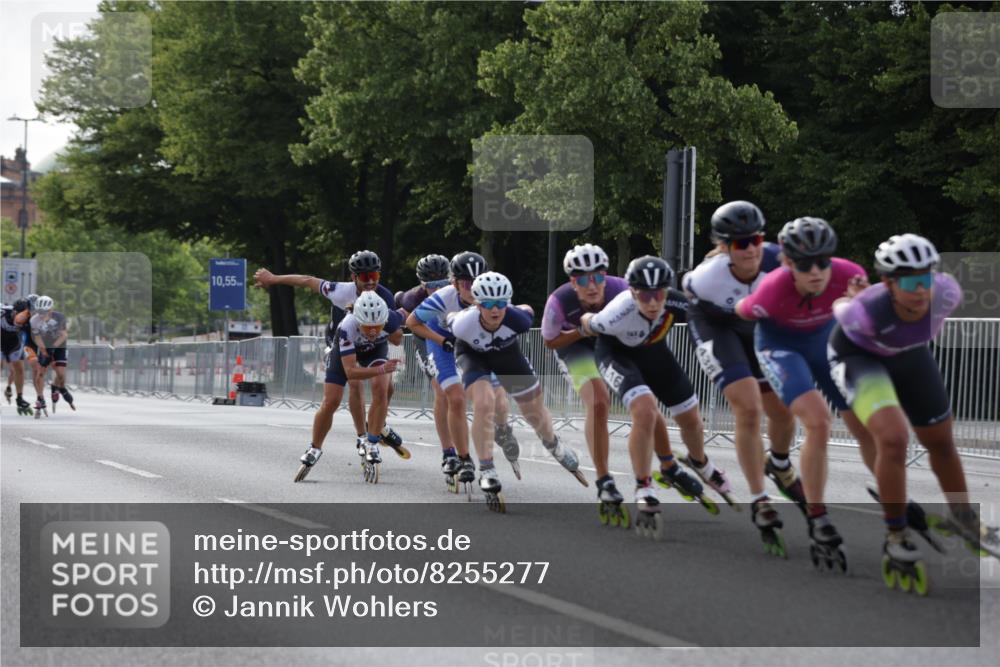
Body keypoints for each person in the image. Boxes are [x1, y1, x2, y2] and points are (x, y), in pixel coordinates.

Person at [829, 234, 999, 590]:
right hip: (860, 357)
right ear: (888, 283)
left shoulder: (947, 292)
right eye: (910, 282)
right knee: (893, 439)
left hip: (908, 354)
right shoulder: (864, 311)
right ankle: (895, 534)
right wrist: (852, 297)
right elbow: (840, 309)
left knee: (941, 440)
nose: (922, 290)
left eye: (926, 279)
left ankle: (963, 517)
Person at [735, 217, 873, 567]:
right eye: (804, 265)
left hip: (824, 343)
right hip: (780, 347)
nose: (816, 272)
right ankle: (818, 515)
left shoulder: (851, 275)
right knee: (818, 421)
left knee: (864, 424)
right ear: (786, 264)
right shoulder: (771, 290)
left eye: (823, 262)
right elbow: (741, 310)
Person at [683, 200, 797, 547]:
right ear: (723, 247)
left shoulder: (781, 262)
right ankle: (760, 499)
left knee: (782, 407)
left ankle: (778, 461)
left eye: (756, 240)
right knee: (748, 407)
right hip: (718, 327)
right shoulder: (703, 279)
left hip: (760, 327)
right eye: (739, 243)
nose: (750, 250)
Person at [580, 256, 717, 533]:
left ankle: (697, 462)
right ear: (632, 292)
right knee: (645, 409)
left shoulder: (677, 301)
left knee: (691, 417)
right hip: (615, 354)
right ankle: (643, 485)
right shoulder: (615, 313)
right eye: (645, 295)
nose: (653, 302)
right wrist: (584, 319)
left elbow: (705, 324)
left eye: (659, 294)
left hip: (653, 353)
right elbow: (588, 323)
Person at [448, 271, 586, 502]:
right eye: (489, 304)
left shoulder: (520, 320)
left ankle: (552, 442)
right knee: (484, 403)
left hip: (507, 355)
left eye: (501, 304)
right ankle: (487, 468)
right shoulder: (463, 324)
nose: (495, 310)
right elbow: (451, 317)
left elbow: (528, 310)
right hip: (473, 357)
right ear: (477, 305)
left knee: (534, 412)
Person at [254, 250, 405, 452]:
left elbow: (396, 338)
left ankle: (380, 425)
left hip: (373, 343)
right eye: (365, 277)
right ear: (353, 277)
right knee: (354, 383)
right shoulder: (341, 291)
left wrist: (392, 325)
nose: (370, 282)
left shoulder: (385, 297)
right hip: (344, 339)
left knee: (385, 388)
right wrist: (274, 279)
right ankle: (362, 436)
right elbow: (307, 281)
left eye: (375, 276)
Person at [406, 252, 519, 486]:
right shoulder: (443, 297)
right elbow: (412, 323)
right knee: (453, 398)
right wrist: (439, 340)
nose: (473, 289)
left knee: (497, 399)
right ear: (454, 283)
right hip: (443, 344)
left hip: (474, 343)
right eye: (467, 284)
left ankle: (502, 428)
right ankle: (460, 457)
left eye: (477, 282)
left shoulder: (491, 295)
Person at [293, 290, 408, 481]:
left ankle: (372, 443)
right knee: (331, 401)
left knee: (381, 388)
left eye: (377, 327)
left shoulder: (392, 318)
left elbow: (417, 317)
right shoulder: (347, 327)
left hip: (375, 351)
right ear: (358, 320)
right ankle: (314, 448)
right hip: (346, 356)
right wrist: (382, 369)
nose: (372, 331)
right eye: (367, 327)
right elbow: (351, 372)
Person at [395, 254, 466, 476]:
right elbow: (401, 312)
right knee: (441, 391)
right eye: (431, 286)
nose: (437, 291)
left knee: (457, 393)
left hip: (451, 335)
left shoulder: (460, 292)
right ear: (422, 285)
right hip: (425, 338)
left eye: (442, 284)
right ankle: (448, 452)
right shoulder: (412, 299)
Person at [30, 296, 75, 415]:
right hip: (45, 345)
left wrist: (53, 347)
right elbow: (37, 338)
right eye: (39, 312)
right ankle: (40, 397)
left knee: (60, 374)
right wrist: (44, 350)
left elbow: (64, 335)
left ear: (50, 310)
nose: (41, 314)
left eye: (43, 312)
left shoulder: (59, 317)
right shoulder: (34, 320)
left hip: (59, 345)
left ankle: (55, 386)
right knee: (40, 372)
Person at [1, 299, 33, 415]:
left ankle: (19, 398)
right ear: (13, 311)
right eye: (16, 314)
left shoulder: (29, 318)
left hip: (14, 342)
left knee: (19, 369)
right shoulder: (3, 312)